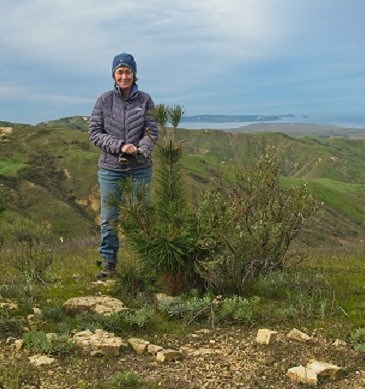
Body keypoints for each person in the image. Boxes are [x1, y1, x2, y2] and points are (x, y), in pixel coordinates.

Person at [89, 52, 158, 279]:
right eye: (120, 72)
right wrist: (121, 146)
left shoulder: (145, 100)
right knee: (109, 217)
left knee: (143, 216)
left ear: (134, 74)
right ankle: (108, 265)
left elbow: (152, 132)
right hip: (110, 168)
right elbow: (95, 133)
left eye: (128, 71)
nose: (124, 76)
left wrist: (140, 149)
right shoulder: (104, 100)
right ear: (113, 75)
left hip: (140, 167)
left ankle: (147, 264)